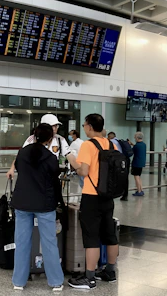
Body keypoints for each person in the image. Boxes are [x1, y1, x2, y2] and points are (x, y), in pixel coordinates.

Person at [8, 122, 65, 291]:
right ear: (50, 139)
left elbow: (19, 169)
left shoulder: (22, 153)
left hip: (22, 202)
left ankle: (18, 281)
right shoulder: (50, 157)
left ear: (34, 134)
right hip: (44, 204)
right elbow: (55, 174)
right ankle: (55, 282)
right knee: (49, 242)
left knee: (22, 242)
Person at [66, 114, 119, 290]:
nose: (83, 128)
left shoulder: (88, 145)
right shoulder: (110, 143)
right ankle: (110, 272)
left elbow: (83, 171)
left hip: (91, 195)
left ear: (89, 126)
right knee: (109, 234)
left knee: (92, 236)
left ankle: (89, 278)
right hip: (107, 196)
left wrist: (72, 160)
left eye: (84, 125)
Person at [130, 132, 147, 197]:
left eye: (135, 137)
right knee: (139, 177)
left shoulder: (137, 146)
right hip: (141, 163)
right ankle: (141, 189)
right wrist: (133, 144)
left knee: (136, 177)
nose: (134, 138)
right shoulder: (143, 144)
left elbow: (131, 151)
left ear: (137, 137)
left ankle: (139, 191)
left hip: (136, 163)